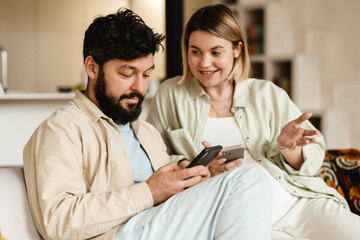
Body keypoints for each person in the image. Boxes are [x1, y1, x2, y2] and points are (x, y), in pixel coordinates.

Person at [23, 8, 273, 240]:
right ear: (92, 67)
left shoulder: (146, 132)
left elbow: (167, 201)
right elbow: (56, 221)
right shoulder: (61, 129)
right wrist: (149, 192)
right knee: (248, 180)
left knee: (240, 183)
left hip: (156, 226)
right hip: (120, 233)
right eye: (126, 74)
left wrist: (199, 179)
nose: (139, 88)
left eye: (146, 74)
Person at [147, 4, 360, 240]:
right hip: (239, 217)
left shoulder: (267, 94)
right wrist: (199, 169)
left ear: (237, 49)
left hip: (295, 202)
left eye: (216, 52)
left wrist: (289, 149)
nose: (204, 63)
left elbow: (311, 158)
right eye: (195, 51)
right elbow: (152, 158)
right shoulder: (170, 94)